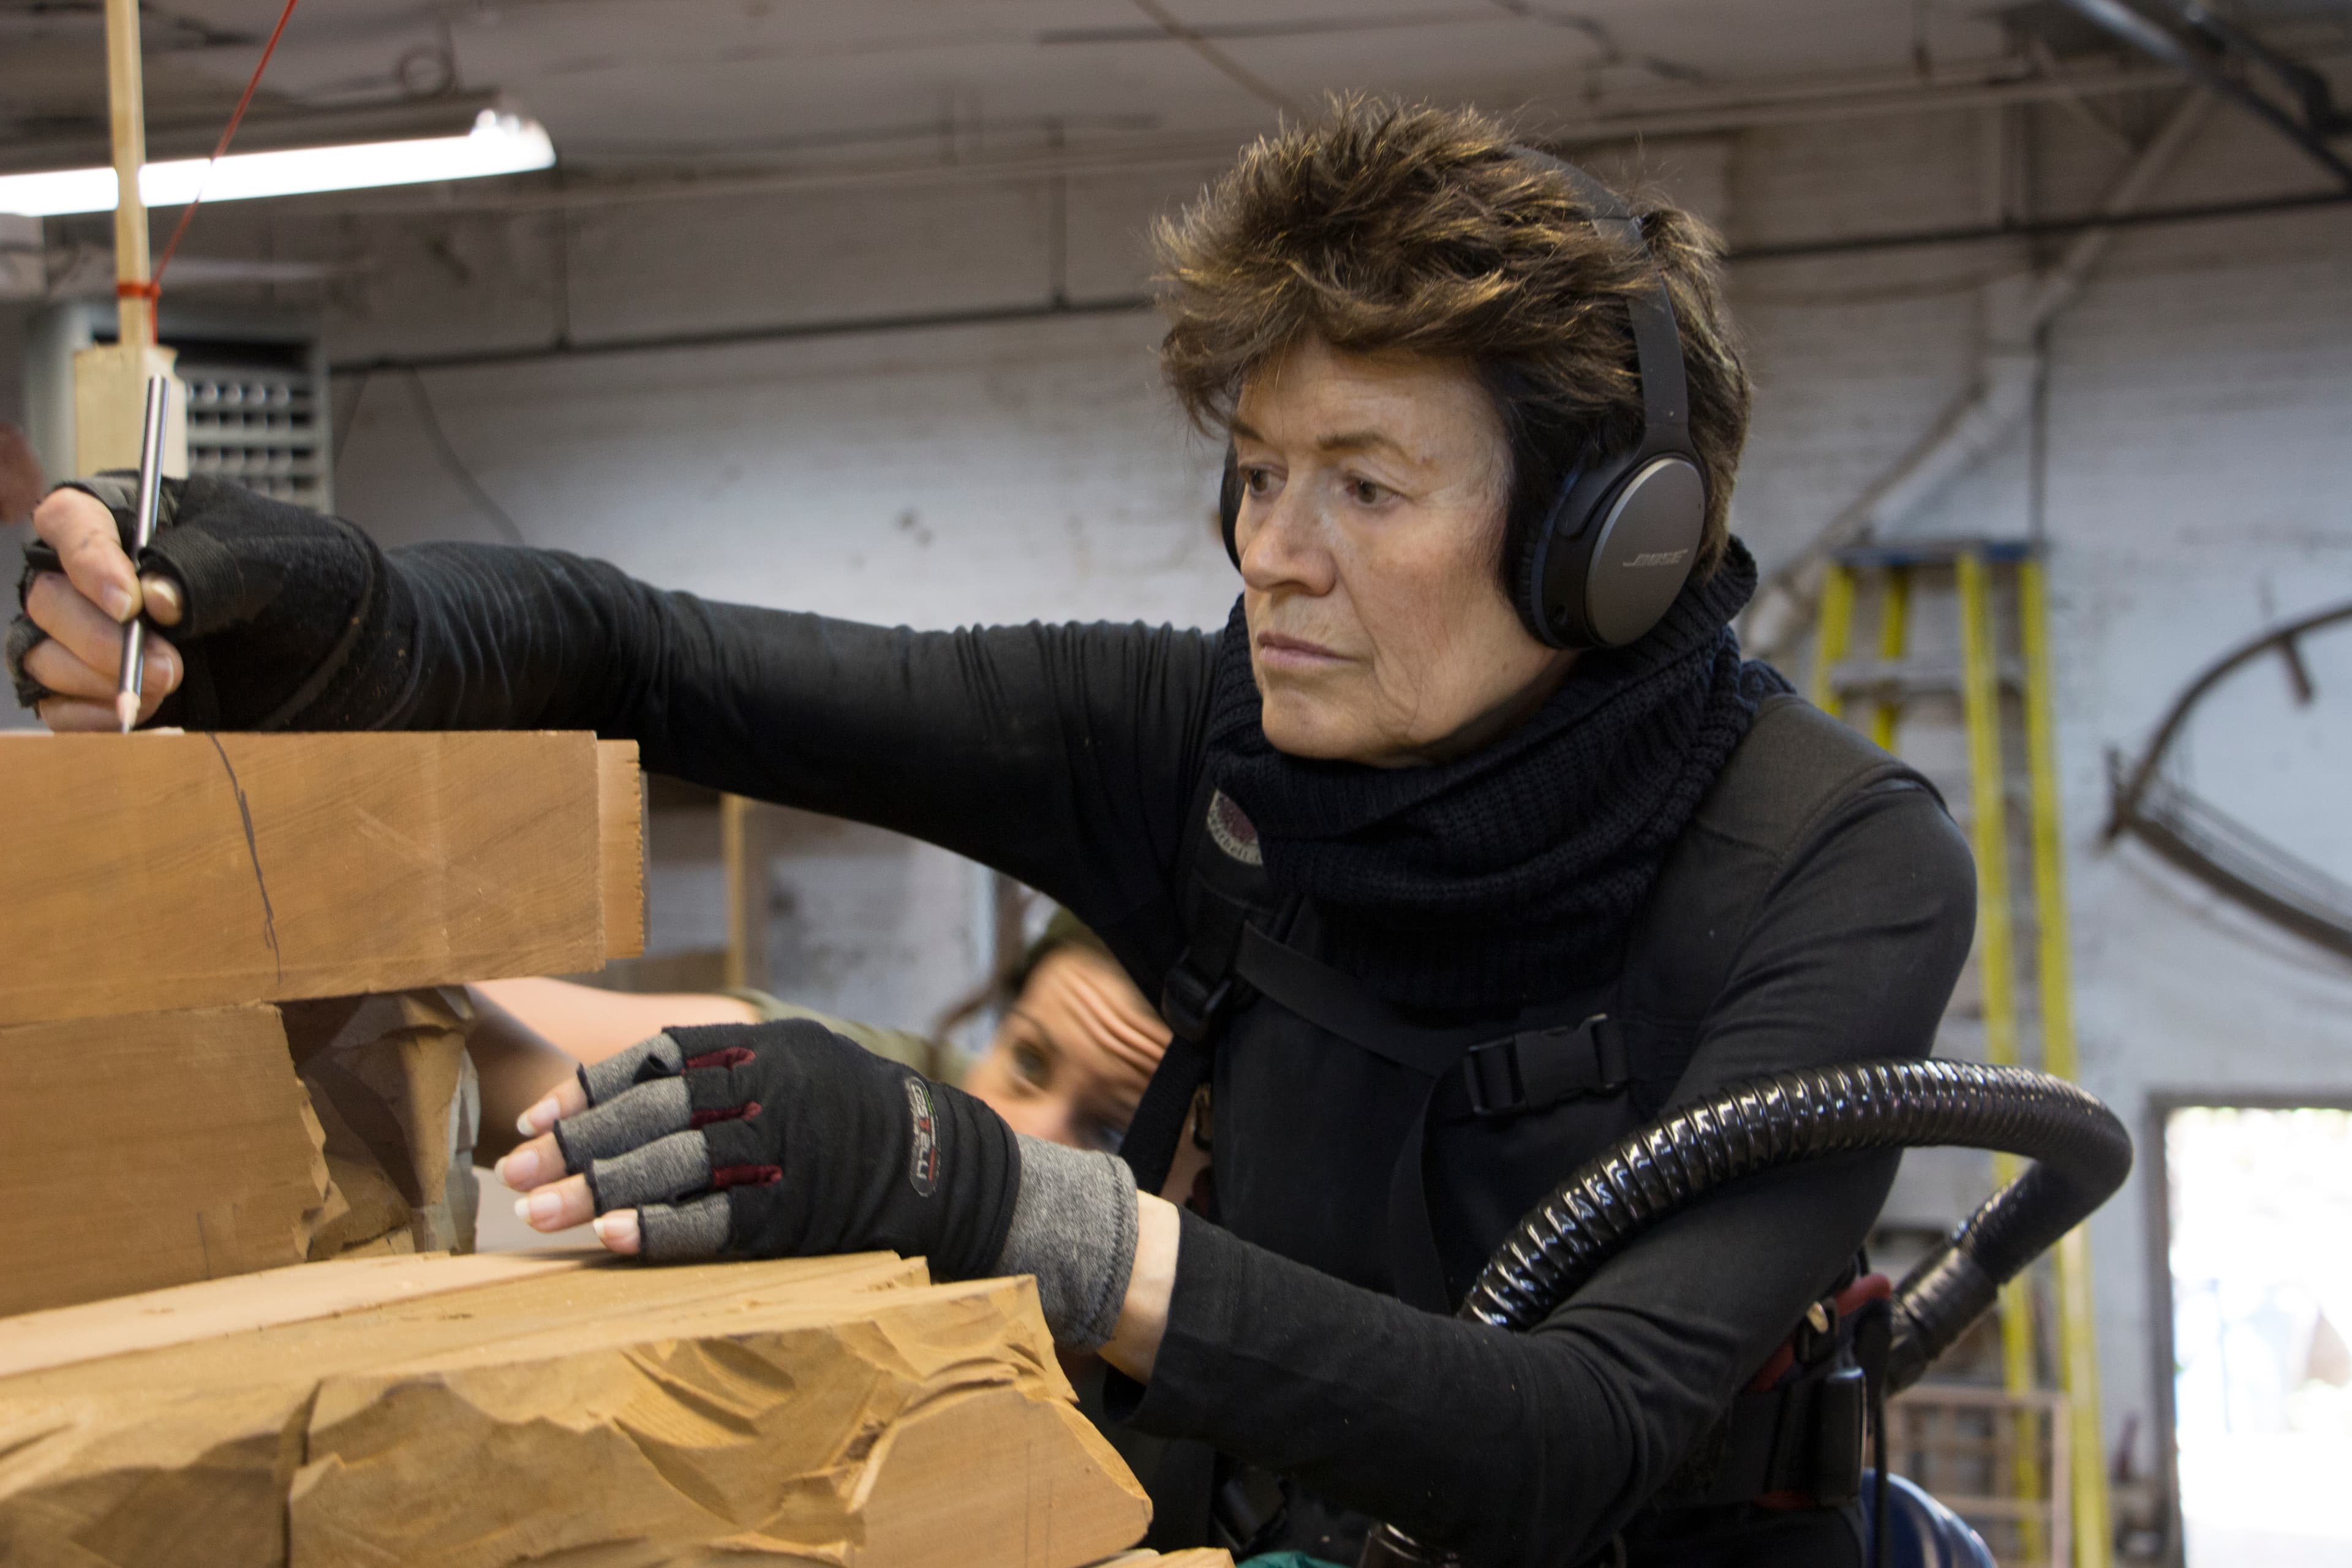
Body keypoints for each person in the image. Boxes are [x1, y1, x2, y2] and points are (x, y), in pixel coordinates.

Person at [11, 99, 1973, 1567]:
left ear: (1606, 548)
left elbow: (1574, 1436)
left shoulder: (1829, 866)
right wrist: (321, 613)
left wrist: (974, 1185)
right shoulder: (1205, 739)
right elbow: (649, 656)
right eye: (1258, 472)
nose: (1269, 559)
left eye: (1364, 487)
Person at [466, 908, 1170, 1163]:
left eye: (1111, 1134)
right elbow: (490, 1040)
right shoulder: (903, 1095)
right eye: (1028, 1060)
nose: (1028, 1137)